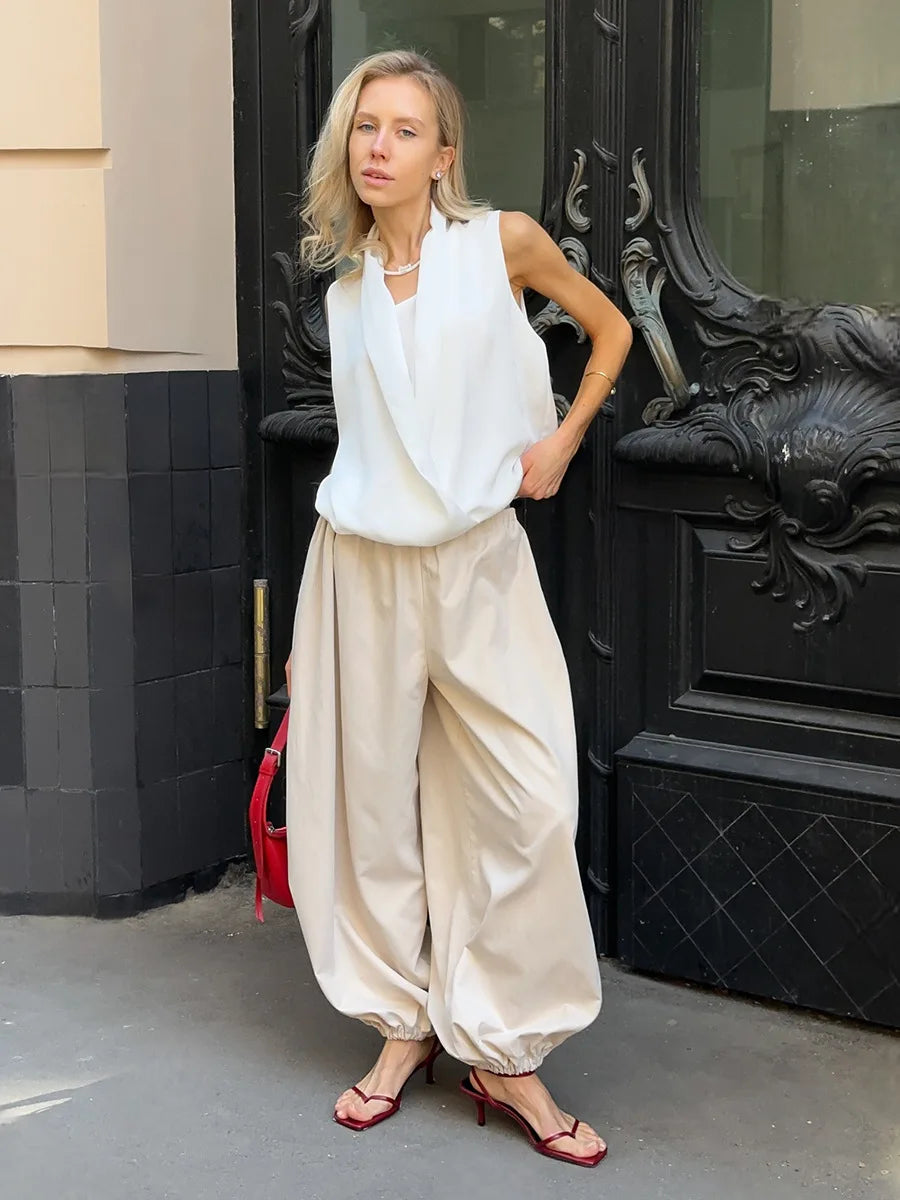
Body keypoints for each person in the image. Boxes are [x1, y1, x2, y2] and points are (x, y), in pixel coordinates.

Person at [283, 49, 632, 1168]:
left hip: (481, 563)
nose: (378, 146)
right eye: (365, 126)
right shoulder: (342, 297)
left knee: (530, 800)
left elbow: (612, 329)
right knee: (374, 815)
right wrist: (309, 638)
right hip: (363, 571)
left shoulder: (502, 245)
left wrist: (561, 443)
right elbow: (363, 458)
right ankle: (403, 1029)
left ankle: (506, 1048)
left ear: (445, 154)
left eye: (404, 128)